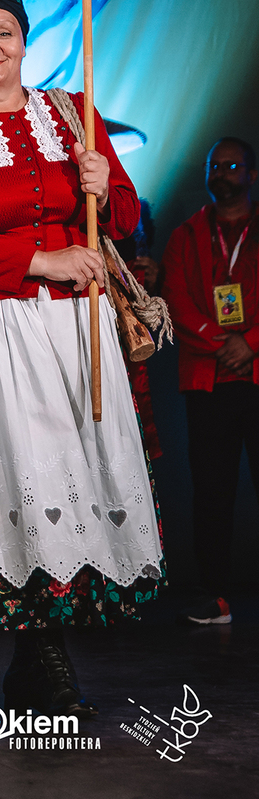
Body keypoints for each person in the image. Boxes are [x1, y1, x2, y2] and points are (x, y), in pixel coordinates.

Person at [0, 0, 163, 716]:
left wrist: (105, 186)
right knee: (16, 480)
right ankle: (43, 658)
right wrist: (41, 261)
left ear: (25, 42)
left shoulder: (73, 113)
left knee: (71, 479)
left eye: (4, 32)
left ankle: (39, 657)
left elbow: (126, 218)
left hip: (74, 329)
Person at [161, 136, 258, 626]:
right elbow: (176, 302)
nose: (222, 173)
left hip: (257, 374)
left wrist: (252, 342)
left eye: (232, 166)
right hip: (207, 380)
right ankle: (214, 598)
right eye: (214, 166)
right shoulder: (185, 235)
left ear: (252, 175)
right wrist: (224, 343)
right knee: (212, 492)